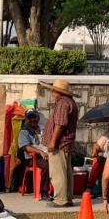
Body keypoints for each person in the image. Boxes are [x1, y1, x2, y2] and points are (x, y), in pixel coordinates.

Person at [40, 79, 79, 208]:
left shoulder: (63, 103)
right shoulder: (70, 102)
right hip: (66, 142)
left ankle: (60, 199)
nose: (52, 92)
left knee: (58, 172)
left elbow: (60, 125)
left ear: (58, 92)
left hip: (60, 143)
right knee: (65, 171)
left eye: (54, 90)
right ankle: (67, 197)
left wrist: (53, 142)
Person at [18, 110, 51, 200]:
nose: (32, 120)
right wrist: (40, 152)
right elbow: (25, 147)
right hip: (32, 159)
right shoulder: (24, 132)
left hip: (46, 154)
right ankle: (44, 192)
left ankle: (58, 192)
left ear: (38, 118)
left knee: (60, 163)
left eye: (34, 117)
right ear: (27, 119)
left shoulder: (42, 128)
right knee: (46, 166)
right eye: (30, 118)